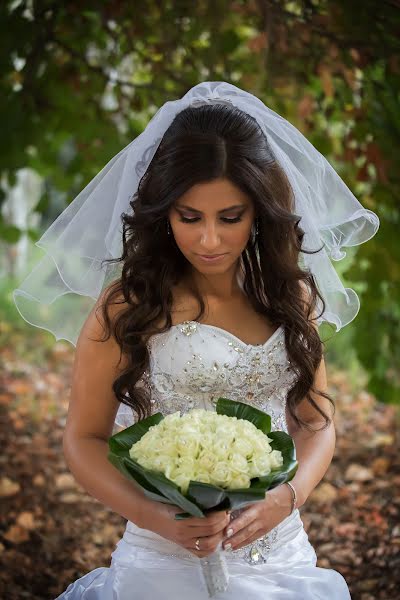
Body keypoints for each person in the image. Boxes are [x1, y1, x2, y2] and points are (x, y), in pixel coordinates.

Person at [13, 82, 379, 599]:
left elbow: (317, 424)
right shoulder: (129, 306)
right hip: (163, 557)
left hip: (279, 553)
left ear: (259, 212)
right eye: (190, 218)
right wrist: (155, 515)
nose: (210, 239)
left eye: (231, 218)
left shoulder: (289, 298)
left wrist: (287, 497)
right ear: (163, 212)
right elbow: (83, 439)